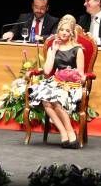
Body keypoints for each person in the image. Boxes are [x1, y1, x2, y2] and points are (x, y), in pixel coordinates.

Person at [28, 14, 85, 148]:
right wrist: (53, 51)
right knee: (46, 99)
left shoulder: (78, 50)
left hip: (71, 85)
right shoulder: (52, 47)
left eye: (67, 30)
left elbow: (81, 75)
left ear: (71, 33)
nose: (64, 33)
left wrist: (71, 76)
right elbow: (47, 71)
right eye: (62, 30)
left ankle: (70, 132)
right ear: (58, 31)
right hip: (55, 82)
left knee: (55, 99)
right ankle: (64, 133)